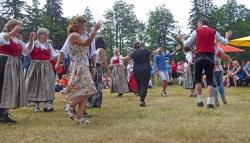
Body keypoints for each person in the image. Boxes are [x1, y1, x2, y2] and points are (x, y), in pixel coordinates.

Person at [55, 16, 102, 124]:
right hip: (79, 64)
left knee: (84, 90)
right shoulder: (74, 35)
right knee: (91, 89)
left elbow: (92, 51)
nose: (86, 26)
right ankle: (70, 106)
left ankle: (79, 117)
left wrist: (93, 65)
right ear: (78, 25)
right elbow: (85, 44)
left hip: (84, 63)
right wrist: (94, 31)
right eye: (84, 24)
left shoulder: (85, 35)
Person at [178, 18, 231, 108]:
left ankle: (200, 101)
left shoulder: (197, 31)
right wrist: (227, 36)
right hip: (210, 58)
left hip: (199, 57)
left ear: (200, 23)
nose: (197, 25)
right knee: (210, 80)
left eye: (197, 24)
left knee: (197, 80)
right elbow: (225, 43)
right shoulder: (214, 31)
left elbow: (187, 44)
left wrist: (182, 39)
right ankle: (210, 103)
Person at [0, 19, 30, 123]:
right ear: (11, 26)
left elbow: (26, 52)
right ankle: (2, 113)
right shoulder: (4, 34)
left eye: (19, 27)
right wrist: (13, 31)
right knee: (3, 86)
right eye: (17, 26)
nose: (19, 29)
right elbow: (1, 41)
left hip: (14, 64)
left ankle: (4, 113)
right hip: (4, 63)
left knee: (11, 87)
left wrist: (31, 40)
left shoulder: (18, 40)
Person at [25, 28, 57, 112]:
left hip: (46, 66)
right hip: (36, 66)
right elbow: (28, 50)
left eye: (47, 35)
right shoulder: (34, 44)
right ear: (39, 35)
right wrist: (31, 40)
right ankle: (37, 106)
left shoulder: (48, 45)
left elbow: (53, 56)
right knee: (36, 84)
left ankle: (47, 105)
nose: (47, 36)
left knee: (47, 84)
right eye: (45, 34)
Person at [122, 41, 160, 107]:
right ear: (139, 45)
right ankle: (142, 101)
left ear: (133, 46)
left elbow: (125, 58)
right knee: (144, 85)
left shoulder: (133, 52)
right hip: (146, 69)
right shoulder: (145, 50)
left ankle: (140, 93)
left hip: (136, 70)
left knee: (139, 84)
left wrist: (120, 57)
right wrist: (159, 48)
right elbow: (154, 52)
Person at [90, 36, 110, 107]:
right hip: (97, 67)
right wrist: (107, 69)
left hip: (92, 67)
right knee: (98, 85)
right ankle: (96, 103)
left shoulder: (95, 50)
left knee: (92, 85)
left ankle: (90, 102)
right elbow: (103, 61)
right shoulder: (102, 50)